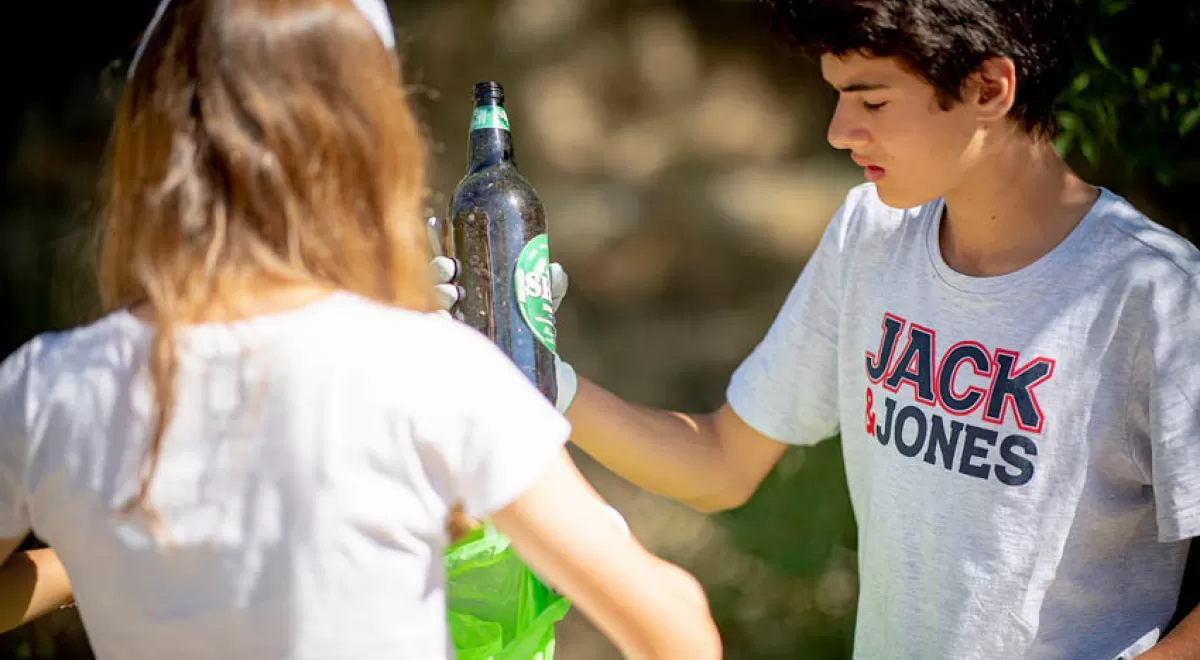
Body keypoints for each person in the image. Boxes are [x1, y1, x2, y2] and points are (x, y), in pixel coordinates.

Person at [434, 0, 1200, 657]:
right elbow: (721, 465)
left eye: (870, 102)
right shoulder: (870, 235)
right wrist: (532, 369)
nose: (838, 131)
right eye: (836, 97)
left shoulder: (1155, 294)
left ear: (990, 88)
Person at [0, 1, 723, 659]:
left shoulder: (44, 387)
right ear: (365, 141)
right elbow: (674, 628)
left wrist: (111, 547)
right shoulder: (437, 372)